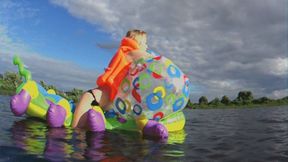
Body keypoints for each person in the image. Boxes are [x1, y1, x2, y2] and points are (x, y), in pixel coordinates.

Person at [48, 29, 168, 139]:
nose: (147, 46)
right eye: (145, 43)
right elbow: (152, 59)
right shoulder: (129, 51)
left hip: (105, 98)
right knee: (76, 130)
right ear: (137, 42)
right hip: (102, 99)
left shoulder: (131, 58)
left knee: (82, 123)